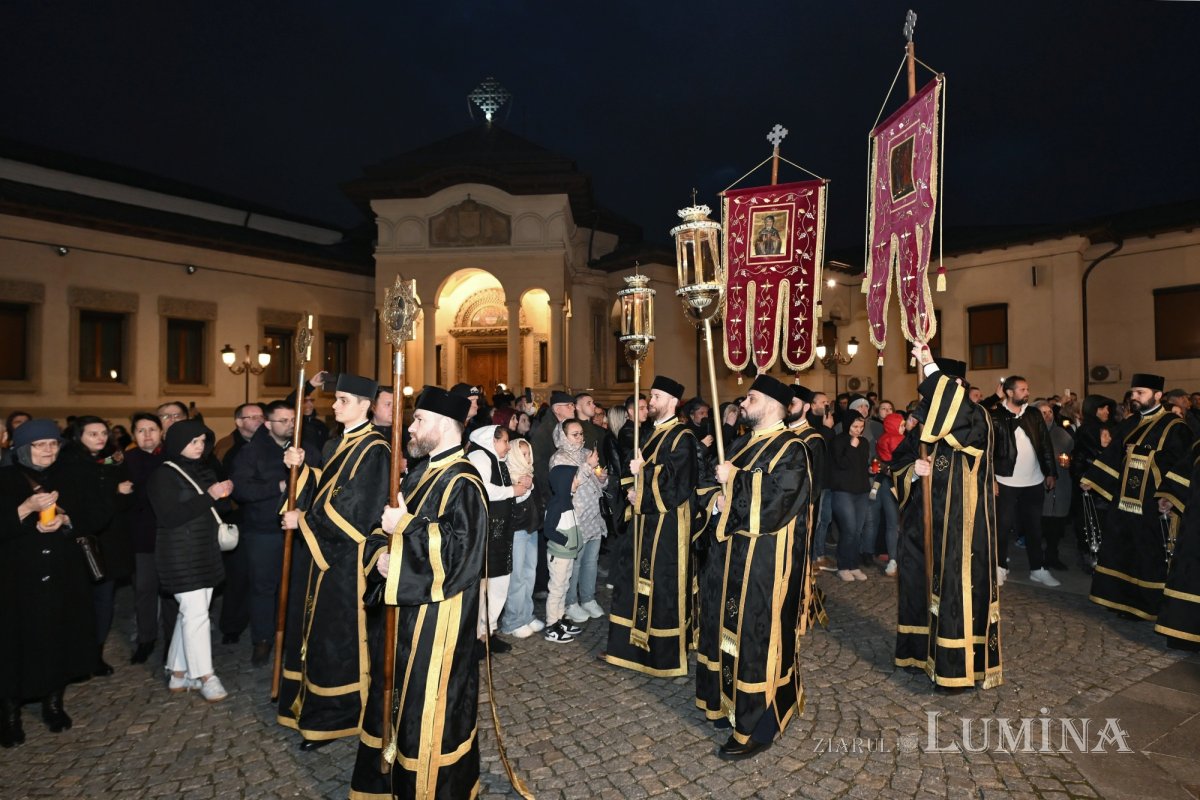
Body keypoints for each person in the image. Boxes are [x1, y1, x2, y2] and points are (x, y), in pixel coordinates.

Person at [349, 386, 487, 799]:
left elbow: (461, 554)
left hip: (439, 621)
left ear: (444, 425)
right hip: (405, 611)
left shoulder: (464, 481)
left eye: (419, 420)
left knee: (427, 707)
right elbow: (382, 526)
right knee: (395, 698)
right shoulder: (420, 473)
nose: (410, 427)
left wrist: (405, 528)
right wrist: (381, 558)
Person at [696, 374, 810, 760]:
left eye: (751, 398)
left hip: (763, 564)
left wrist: (736, 480)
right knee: (721, 628)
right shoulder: (742, 442)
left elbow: (778, 502)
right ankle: (723, 702)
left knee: (754, 638)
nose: (743, 403)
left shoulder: (793, 449)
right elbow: (710, 482)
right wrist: (716, 500)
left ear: (775, 406)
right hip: (727, 559)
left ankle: (756, 725)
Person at [278, 372, 390, 750]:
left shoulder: (376, 449)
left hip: (347, 561)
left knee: (337, 638)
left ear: (364, 405)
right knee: (316, 631)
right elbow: (326, 487)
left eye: (343, 400)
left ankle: (339, 715)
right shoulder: (335, 442)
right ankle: (311, 703)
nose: (335, 405)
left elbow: (357, 510)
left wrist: (303, 520)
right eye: (336, 398)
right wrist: (301, 468)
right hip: (323, 556)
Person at [892, 347, 1003, 691]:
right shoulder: (924, 421)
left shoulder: (976, 417)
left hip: (961, 527)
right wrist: (913, 471)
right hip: (923, 524)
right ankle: (918, 652)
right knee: (918, 585)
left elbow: (960, 424)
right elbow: (899, 461)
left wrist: (929, 365)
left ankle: (956, 668)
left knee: (956, 590)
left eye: (946, 384)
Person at [0, 419, 98, 747]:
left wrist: (67, 520)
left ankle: (53, 704)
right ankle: (9, 714)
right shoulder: (5, 479)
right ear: (22, 449)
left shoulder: (70, 475)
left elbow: (97, 514)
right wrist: (25, 509)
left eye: (53, 444)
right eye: (39, 445)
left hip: (62, 573)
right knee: (14, 642)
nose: (48, 450)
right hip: (15, 578)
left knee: (58, 636)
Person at [605, 375, 698, 676]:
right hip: (643, 521)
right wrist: (632, 489)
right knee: (633, 581)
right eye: (651, 396)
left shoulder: (682, 436)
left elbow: (677, 482)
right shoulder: (649, 433)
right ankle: (630, 647)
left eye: (656, 397)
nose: (651, 401)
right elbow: (633, 471)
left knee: (661, 585)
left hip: (666, 527)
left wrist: (643, 476)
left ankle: (661, 653)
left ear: (673, 401)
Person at [1082, 373, 1194, 621]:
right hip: (1123, 503)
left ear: (1158, 395)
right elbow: (1113, 454)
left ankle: (1145, 605)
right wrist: (1093, 477)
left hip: (1151, 504)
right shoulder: (1130, 423)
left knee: (1147, 555)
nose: (1134, 397)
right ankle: (1118, 599)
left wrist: (1167, 493)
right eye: (1133, 392)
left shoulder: (1175, 427)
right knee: (1120, 549)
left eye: (1140, 393)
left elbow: (1181, 463)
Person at [230, 400, 321, 666]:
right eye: (283, 421)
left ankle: (294, 638)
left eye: (293, 420)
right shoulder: (251, 452)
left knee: (297, 587)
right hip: (263, 531)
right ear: (268, 424)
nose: (290, 425)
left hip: (299, 530)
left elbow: (321, 480)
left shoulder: (306, 448)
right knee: (263, 588)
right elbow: (241, 489)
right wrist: (279, 486)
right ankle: (262, 639)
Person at [148, 419, 233, 703]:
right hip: (178, 552)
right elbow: (169, 516)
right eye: (192, 441)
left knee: (192, 613)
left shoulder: (204, 470)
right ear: (176, 443)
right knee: (197, 615)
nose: (199, 447)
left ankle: (178, 674)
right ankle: (206, 676)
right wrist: (209, 496)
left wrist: (223, 495)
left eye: (202, 441)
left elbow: (217, 509)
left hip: (205, 550)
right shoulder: (163, 474)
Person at [60, 416, 134, 676]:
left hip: (108, 542)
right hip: (78, 542)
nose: (100, 438)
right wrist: (114, 491)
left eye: (103, 433)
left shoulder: (111, 461)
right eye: (93, 434)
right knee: (79, 601)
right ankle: (77, 656)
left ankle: (95, 654)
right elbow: (78, 505)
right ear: (78, 436)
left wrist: (120, 493)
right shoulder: (67, 463)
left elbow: (124, 503)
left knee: (104, 600)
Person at [467, 424, 532, 655]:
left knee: (499, 584)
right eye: (504, 441)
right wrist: (513, 490)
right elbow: (482, 488)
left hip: (501, 532)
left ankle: (489, 631)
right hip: (486, 533)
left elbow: (507, 493)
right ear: (492, 440)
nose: (507, 446)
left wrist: (523, 488)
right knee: (484, 586)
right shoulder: (479, 456)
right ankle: (476, 636)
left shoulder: (497, 460)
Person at [990, 376, 1060, 587]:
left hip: (1034, 481)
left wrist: (1050, 472)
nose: (1027, 393)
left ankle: (1037, 569)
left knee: (1034, 528)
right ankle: (1000, 567)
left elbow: (1045, 444)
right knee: (1002, 527)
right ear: (1009, 392)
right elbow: (987, 450)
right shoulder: (995, 415)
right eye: (1022, 389)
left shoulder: (1033, 414)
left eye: (1027, 389)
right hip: (1005, 481)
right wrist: (990, 478)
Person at [125, 412, 174, 664]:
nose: (147, 435)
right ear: (133, 434)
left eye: (152, 429)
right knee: (144, 589)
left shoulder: (173, 457)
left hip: (171, 536)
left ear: (161, 432)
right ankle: (146, 639)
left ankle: (172, 642)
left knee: (170, 591)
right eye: (141, 430)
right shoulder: (125, 460)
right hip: (141, 536)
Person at [551, 418, 609, 624]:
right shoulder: (559, 458)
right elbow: (569, 486)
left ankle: (588, 598)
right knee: (574, 564)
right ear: (563, 436)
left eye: (581, 433)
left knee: (591, 561)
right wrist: (588, 466)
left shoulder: (587, 453)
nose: (580, 438)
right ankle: (571, 602)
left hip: (594, 516)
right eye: (574, 434)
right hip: (575, 518)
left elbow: (600, 482)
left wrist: (602, 478)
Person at [1155, 439, 1200, 649]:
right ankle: (1185, 634)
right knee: (1189, 577)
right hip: (1195, 530)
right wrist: (1171, 497)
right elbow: (1186, 472)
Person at [499, 437, 544, 639]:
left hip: (530, 528)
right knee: (516, 577)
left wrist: (530, 485)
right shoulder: (506, 474)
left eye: (529, 454)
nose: (527, 458)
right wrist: (522, 487)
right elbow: (507, 504)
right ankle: (512, 621)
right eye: (523, 454)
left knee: (529, 573)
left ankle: (526, 614)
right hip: (516, 531)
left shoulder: (530, 474)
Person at [541, 464, 585, 643]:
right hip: (559, 555)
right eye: (574, 479)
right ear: (564, 482)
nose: (577, 481)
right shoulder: (557, 504)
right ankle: (551, 625)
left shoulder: (567, 501)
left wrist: (576, 543)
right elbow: (548, 530)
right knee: (556, 589)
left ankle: (560, 619)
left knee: (564, 587)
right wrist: (566, 541)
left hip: (567, 555)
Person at [830, 415, 872, 582]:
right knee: (849, 529)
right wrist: (852, 447)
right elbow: (841, 464)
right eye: (855, 426)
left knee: (857, 530)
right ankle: (843, 566)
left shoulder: (864, 442)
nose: (858, 430)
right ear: (847, 425)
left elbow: (860, 465)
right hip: (843, 491)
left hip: (861, 491)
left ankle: (854, 565)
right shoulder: (838, 441)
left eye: (861, 427)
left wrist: (870, 470)